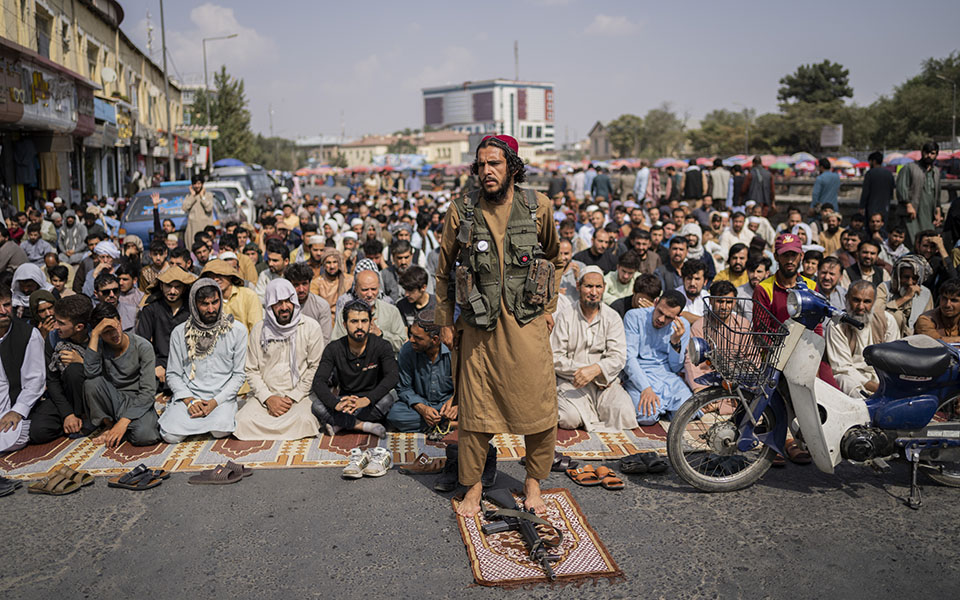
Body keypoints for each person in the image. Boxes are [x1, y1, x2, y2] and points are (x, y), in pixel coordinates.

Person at [435, 134, 562, 518]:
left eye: (494, 164)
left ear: (512, 167)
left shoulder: (539, 206)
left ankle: (533, 485)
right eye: (481, 165)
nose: (486, 172)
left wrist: (549, 306)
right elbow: (442, 274)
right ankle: (472, 488)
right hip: (477, 329)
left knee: (539, 408)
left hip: (527, 324)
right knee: (475, 413)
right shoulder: (461, 211)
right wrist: (444, 321)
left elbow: (554, 257)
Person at [159, 278, 248, 443]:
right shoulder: (180, 333)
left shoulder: (237, 330)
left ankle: (219, 413)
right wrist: (189, 400)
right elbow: (173, 374)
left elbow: (238, 375)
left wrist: (215, 402)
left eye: (215, 302)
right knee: (170, 436)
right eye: (204, 304)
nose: (211, 309)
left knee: (220, 431)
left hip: (220, 398)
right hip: (190, 396)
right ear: (194, 304)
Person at [234, 279, 324, 441]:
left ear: (294, 302)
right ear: (269, 305)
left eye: (288, 301)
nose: (284, 307)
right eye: (278, 303)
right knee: (242, 422)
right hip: (266, 397)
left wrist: (292, 397)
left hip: (300, 397)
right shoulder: (259, 330)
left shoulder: (311, 327)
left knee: (305, 421)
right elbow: (251, 369)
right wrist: (268, 398)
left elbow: (315, 367)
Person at [550, 266, 638, 432]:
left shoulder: (612, 317)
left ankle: (592, 413)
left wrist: (596, 370)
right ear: (578, 287)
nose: (594, 292)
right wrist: (583, 371)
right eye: (588, 286)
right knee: (569, 419)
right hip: (572, 382)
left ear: (604, 288)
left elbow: (618, 357)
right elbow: (555, 357)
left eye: (598, 287)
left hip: (604, 383)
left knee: (625, 414)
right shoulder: (566, 316)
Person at [755, 233, 838, 387]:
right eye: (785, 255)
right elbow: (761, 331)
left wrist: (815, 356)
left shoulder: (811, 286)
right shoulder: (764, 288)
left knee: (832, 391)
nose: (790, 260)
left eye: (793, 255)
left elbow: (817, 326)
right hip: (776, 358)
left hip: (808, 353)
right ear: (776, 257)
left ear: (801, 255)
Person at [311, 299, 398, 438]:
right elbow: (318, 382)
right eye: (354, 322)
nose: (359, 326)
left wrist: (367, 399)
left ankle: (341, 423)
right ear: (345, 324)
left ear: (371, 323)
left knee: (388, 399)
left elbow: (392, 377)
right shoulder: (334, 348)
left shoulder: (382, 345)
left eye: (364, 321)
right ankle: (364, 426)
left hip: (372, 400)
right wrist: (336, 404)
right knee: (317, 406)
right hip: (346, 401)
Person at [83, 303, 160, 448]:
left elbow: (148, 392)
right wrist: (94, 334)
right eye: (106, 332)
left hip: (138, 399)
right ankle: (109, 425)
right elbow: (90, 373)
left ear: (120, 322)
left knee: (146, 436)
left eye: (115, 327)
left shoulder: (142, 347)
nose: (113, 334)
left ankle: (119, 428)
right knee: (91, 383)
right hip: (115, 398)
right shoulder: (99, 344)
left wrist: (123, 422)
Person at [28, 295, 94, 444]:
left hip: (92, 395)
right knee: (39, 431)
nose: (55, 326)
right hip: (65, 395)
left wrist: (83, 362)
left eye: (61, 323)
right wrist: (68, 414)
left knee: (74, 370)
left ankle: (86, 418)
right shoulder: (53, 337)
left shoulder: (97, 337)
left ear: (79, 327)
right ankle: (73, 422)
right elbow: (52, 380)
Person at [622, 290, 691, 426]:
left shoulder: (682, 326)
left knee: (688, 411)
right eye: (660, 312)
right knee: (647, 416)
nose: (661, 319)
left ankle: (663, 408)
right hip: (640, 374)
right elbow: (629, 358)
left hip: (667, 377)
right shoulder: (634, 316)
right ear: (655, 303)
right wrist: (645, 388)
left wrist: (675, 342)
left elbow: (675, 367)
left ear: (678, 316)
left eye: (668, 317)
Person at [385, 310, 455, 433]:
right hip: (421, 403)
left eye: (417, 338)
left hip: (449, 404)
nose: (411, 340)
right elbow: (404, 388)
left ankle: (440, 423)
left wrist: (456, 402)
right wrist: (423, 409)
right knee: (395, 415)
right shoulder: (407, 351)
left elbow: (468, 385)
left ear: (435, 340)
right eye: (411, 334)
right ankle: (450, 424)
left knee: (479, 408)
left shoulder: (453, 351)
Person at [825, 281, 899, 397]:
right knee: (844, 381)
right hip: (853, 378)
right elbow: (842, 368)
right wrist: (873, 386)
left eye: (867, 302)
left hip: (880, 378)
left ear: (874, 302)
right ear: (847, 298)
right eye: (856, 300)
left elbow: (893, 359)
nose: (860, 307)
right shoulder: (837, 325)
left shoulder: (887, 320)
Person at [0, 282, 45, 452]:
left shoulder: (28, 335)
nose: (3, 311)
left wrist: (17, 411)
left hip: (15, 404)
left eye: (6, 305)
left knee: (11, 435)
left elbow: (35, 380)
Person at [136, 266, 196, 389]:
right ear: (161, 286)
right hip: (160, 364)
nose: (172, 291)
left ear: (184, 288)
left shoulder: (192, 310)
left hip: (188, 364)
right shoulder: (151, 309)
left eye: (177, 287)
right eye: (169, 286)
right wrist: (156, 365)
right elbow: (142, 342)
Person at [685, 280, 744, 393]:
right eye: (720, 301)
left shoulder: (742, 325)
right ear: (711, 301)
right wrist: (699, 389)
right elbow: (691, 359)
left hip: (735, 381)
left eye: (729, 302)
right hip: (707, 380)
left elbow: (751, 357)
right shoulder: (700, 326)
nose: (724, 307)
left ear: (735, 302)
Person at [331, 269, 406, 353]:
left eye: (373, 289)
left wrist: (381, 334)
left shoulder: (391, 311)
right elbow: (336, 345)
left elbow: (402, 344)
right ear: (356, 289)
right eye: (365, 290)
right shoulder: (345, 313)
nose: (370, 294)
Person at [876, 254, 933, 338]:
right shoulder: (884, 287)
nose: (910, 282)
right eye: (906, 277)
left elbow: (928, 320)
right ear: (898, 276)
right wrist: (905, 298)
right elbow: (877, 313)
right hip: (887, 337)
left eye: (914, 278)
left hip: (915, 339)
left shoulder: (925, 293)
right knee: (896, 315)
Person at [200, 259, 263, 333]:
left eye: (219, 275)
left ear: (229, 276)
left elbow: (256, 328)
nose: (216, 279)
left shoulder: (248, 295)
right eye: (211, 277)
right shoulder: (207, 302)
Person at [896, 142, 941, 243]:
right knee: (913, 241)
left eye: (932, 153)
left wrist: (938, 211)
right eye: (927, 152)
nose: (929, 156)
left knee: (928, 242)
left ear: (936, 155)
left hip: (929, 214)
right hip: (913, 212)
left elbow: (937, 193)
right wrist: (908, 204)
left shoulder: (936, 172)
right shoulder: (910, 168)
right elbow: (901, 187)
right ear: (922, 153)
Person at [283, 263, 332, 345]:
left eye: (304, 284)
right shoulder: (282, 307)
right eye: (296, 285)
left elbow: (325, 339)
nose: (301, 289)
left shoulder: (321, 306)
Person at [310, 248, 353, 318]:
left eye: (335, 262)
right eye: (328, 263)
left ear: (339, 263)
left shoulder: (349, 280)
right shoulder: (316, 283)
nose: (332, 266)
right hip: (326, 319)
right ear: (324, 265)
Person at [914, 278, 960, 343]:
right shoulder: (926, 319)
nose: (947, 304)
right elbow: (936, 343)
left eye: (954, 300)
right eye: (944, 299)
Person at [396, 265, 435, 330]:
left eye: (410, 290)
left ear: (423, 287)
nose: (406, 294)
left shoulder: (437, 305)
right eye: (405, 290)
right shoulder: (401, 305)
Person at [860, 151, 895, 222]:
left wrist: (862, 206)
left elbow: (865, 191)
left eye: (870, 161)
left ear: (874, 161)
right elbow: (892, 190)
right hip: (885, 206)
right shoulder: (889, 173)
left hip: (871, 206)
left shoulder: (870, 173)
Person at [183, 175, 214, 251]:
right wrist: (192, 196)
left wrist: (202, 197)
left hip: (204, 227)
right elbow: (185, 208)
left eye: (199, 183)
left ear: (202, 184)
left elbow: (209, 208)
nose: (197, 186)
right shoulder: (189, 196)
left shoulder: (208, 195)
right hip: (192, 229)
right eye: (195, 184)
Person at [255, 239, 290, 303]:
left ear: (286, 261)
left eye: (275, 261)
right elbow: (259, 298)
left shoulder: (294, 274)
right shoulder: (264, 275)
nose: (270, 263)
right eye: (269, 260)